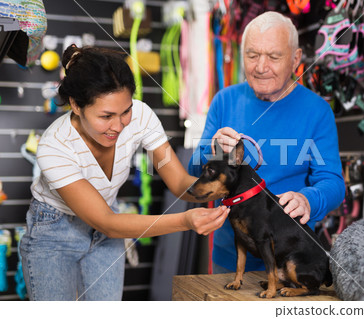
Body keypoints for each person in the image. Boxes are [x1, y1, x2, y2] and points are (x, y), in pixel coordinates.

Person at [19, 45, 230, 301]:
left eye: (125, 111)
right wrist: (185, 221)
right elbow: (107, 223)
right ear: (75, 105)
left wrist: (224, 179)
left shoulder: (141, 116)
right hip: (55, 234)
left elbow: (179, 183)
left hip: (108, 227)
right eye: (106, 116)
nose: (118, 126)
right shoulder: (55, 146)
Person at [188, 11, 345, 274]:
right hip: (231, 256)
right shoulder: (224, 100)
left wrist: (309, 200)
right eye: (252, 55)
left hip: (290, 259)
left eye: (273, 57)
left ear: (295, 59)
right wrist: (210, 151)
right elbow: (195, 170)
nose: (261, 67)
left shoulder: (317, 111)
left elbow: (333, 183)